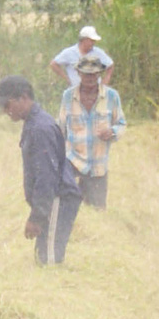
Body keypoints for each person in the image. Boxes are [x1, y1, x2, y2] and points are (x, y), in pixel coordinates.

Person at [0, 75, 79, 265]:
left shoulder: (40, 128)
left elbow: (46, 176)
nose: (5, 111)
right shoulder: (34, 123)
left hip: (58, 198)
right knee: (45, 256)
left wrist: (37, 216)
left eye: (7, 105)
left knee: (49, 262)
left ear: (23, 97)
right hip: (53, 199)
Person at [56, 52, 124, 224]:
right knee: (70, 212)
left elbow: (121, 124)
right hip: (73, 164)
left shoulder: (111, 96)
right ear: (78, 73)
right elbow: (60, 128)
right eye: (86, 73)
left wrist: (112, 132)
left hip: (98, 167)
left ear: (99, 75)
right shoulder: (68, 96)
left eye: (94, 74)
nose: (90, 78)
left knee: (98, 215)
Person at [51, 24, 115, 92]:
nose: (93, 43)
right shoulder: (69, 52)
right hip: (75, 91)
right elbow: (54, 64)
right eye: (91, 40)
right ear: (84, 40)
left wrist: (104, 83)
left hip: (96, 92)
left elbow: (110, 65)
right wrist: (67, 79)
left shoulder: (98, 52)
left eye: (94, 41)